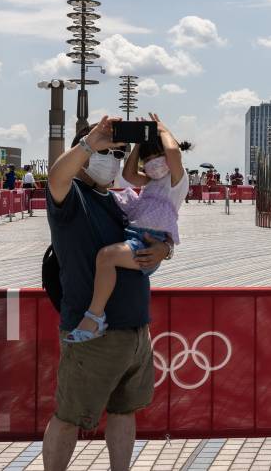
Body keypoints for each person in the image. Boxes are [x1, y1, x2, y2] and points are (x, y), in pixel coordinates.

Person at [43, 115, 171, 471]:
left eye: (118, 153)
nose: (111, 160)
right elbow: (57, 176)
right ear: (83, 152)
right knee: (69, 416)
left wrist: (165, 250)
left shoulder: (116, 201)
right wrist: (89, 144)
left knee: (124, 411)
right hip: (93, 338)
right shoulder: (71, 198)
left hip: (134, 331)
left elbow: (152, 232)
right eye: (106, 151)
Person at [64, 114, 190, 343]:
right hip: (137, 237)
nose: (154, 162)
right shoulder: (151, 181)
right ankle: (96, 316)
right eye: (148, 159)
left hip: (146, 243)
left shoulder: (177, 181)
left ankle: (94, 317)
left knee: (107, 257)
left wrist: (161, 129)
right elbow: (128, 174)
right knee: (108, 259)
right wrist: (140, 142)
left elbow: (173, 153)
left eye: (158, 156)